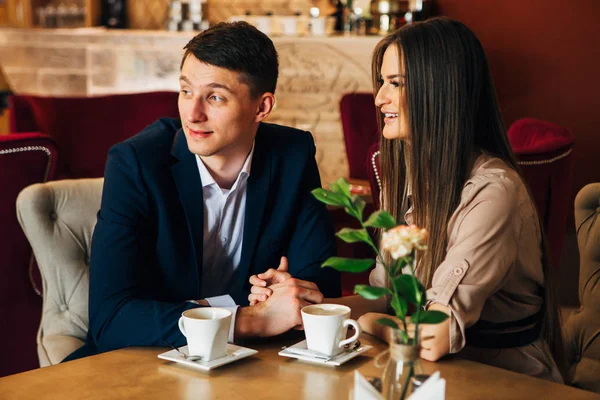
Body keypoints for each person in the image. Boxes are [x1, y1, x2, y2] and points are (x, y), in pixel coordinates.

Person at [249, 17, 564, 383]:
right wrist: (303, 307)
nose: (380, 98)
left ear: (441, 91)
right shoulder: (413, 177)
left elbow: (433, 336)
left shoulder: (493, 192)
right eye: (382, 82)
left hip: (503, 379)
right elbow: (387, 296)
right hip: (433, 374)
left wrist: (368, 322)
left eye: (395, 84)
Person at [66, 21, 340, 361]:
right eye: (185, 91)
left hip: (252, 364)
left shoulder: (293, 155)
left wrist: (287, 291)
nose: (192, 114)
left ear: (262, 107)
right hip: (142, 360)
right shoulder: (136, 164)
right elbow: (111, 319)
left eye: (215, 97)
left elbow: (321, 287)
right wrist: (250, 318)